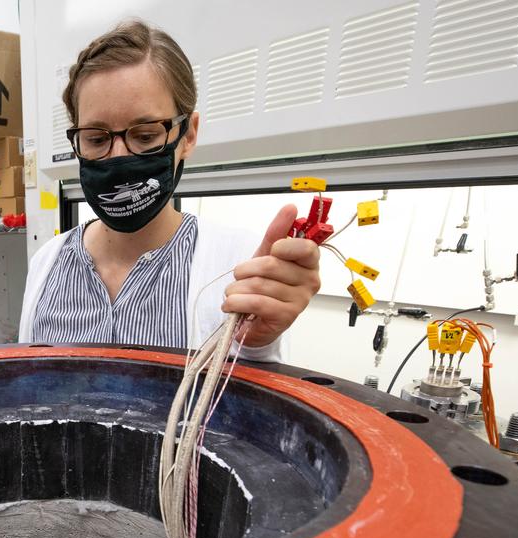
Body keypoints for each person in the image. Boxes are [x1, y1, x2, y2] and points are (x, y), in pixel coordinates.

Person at [18, 20, 320, 359]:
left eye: (145, 135)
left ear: (188, 135)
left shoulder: (238, 263)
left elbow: (243, 395)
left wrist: (260, 343)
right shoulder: (48, 262)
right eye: (96, 138)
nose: (119, 156)